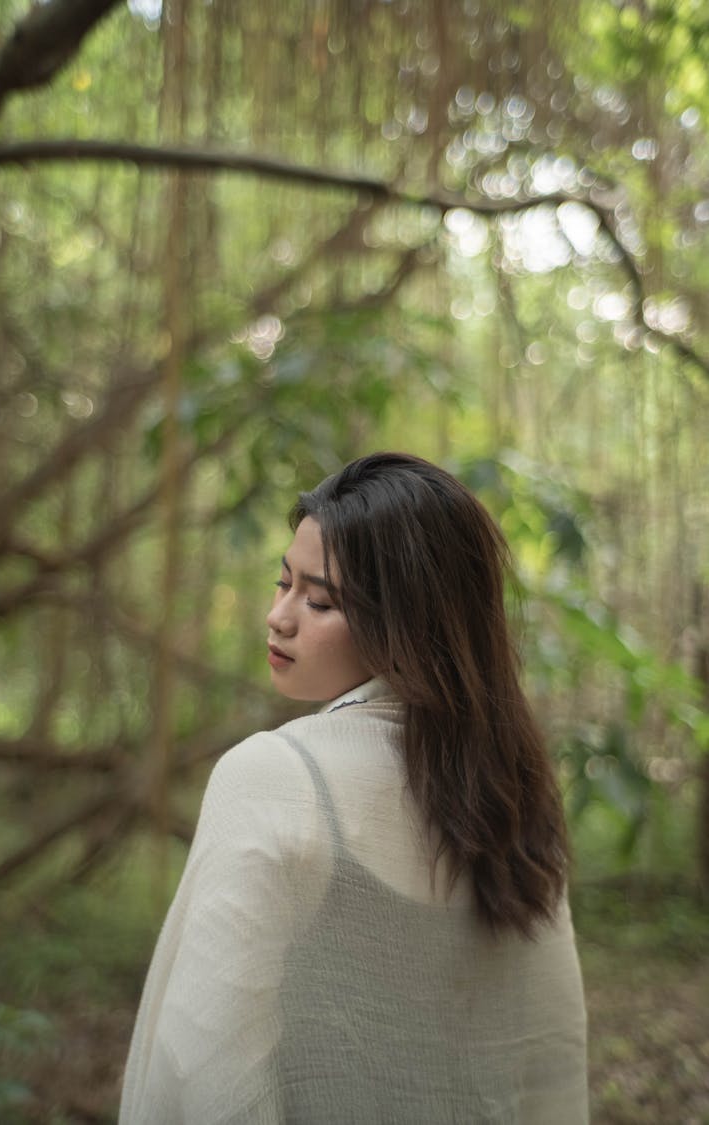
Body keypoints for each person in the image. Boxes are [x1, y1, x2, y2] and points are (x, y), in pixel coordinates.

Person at [118, 451, 588, 1124]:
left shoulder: (273, 778)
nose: (279, 617)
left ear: (410, 620)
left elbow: (206, 1071)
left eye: (319, 600)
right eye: (282, 584)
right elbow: (548, 1060)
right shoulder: (514, 793)